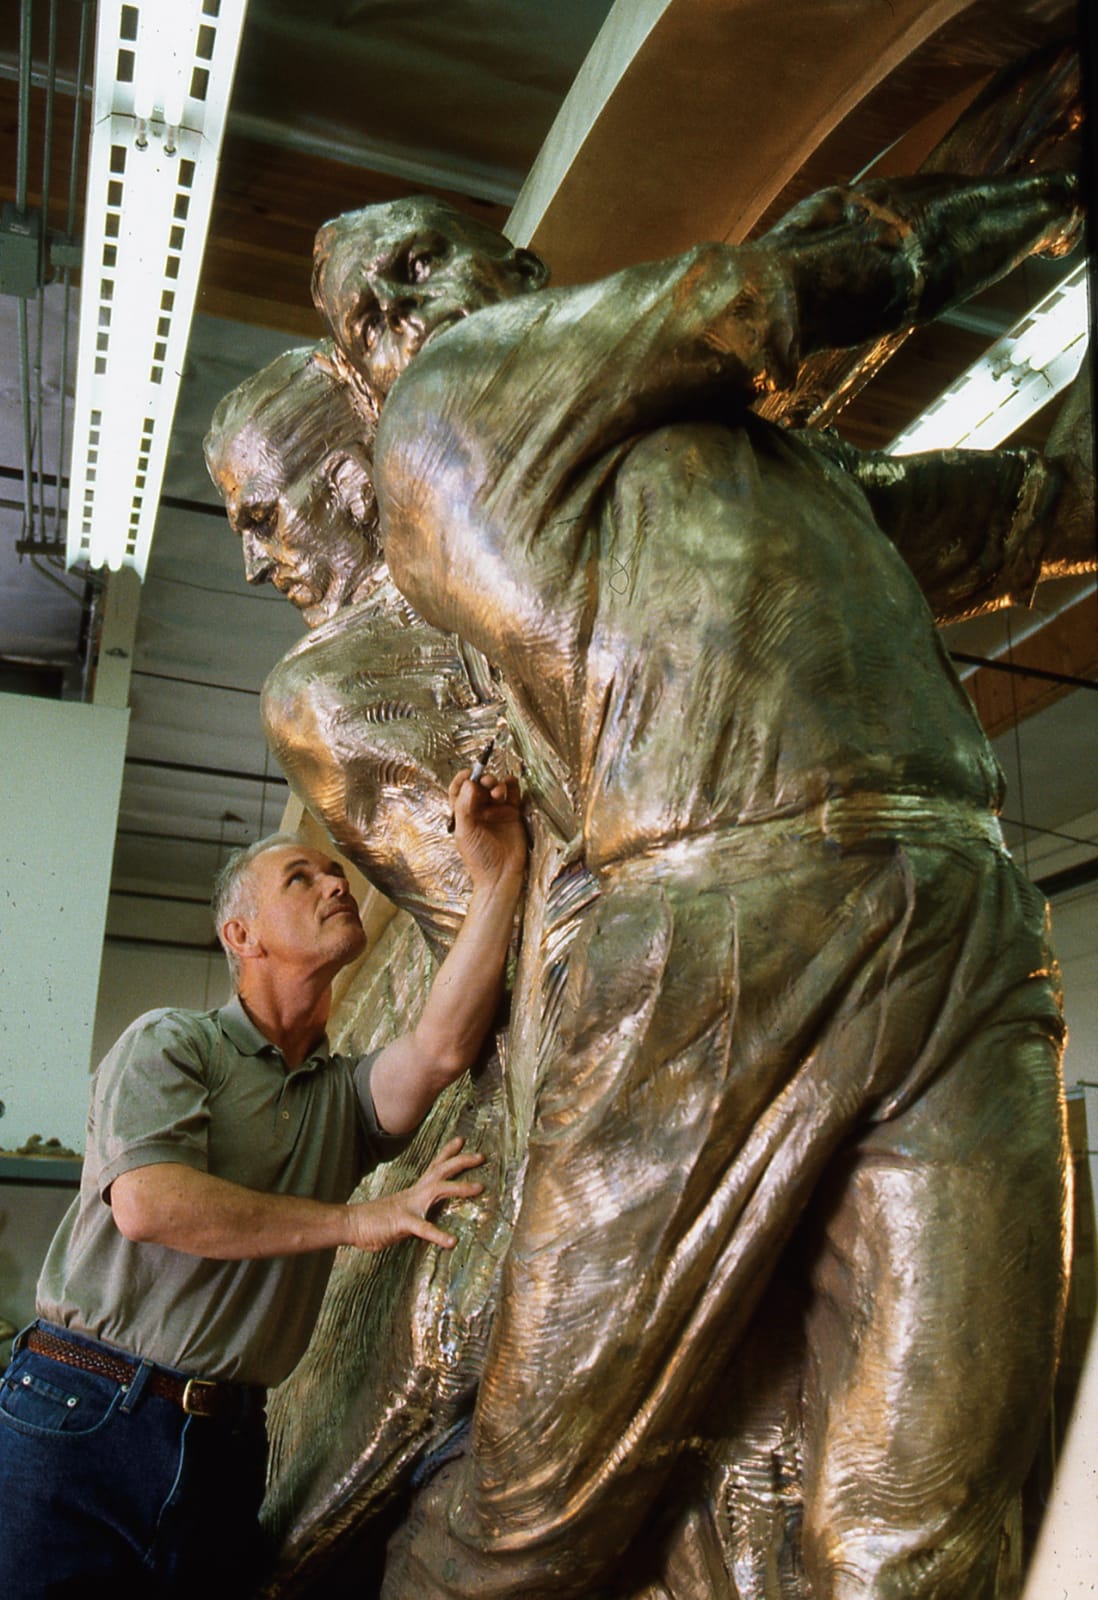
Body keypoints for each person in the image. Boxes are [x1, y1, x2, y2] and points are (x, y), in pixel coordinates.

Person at [304, 171, 1091, 1598]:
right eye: (371, 315)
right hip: (723, 918)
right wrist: (1035, 186)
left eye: (424, 260)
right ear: (367, 379)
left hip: (962, 913)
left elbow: (1029, 513)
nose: (406, 308)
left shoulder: (766, 468)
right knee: (535, 1505)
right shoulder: (456, 403)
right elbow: (768, 290)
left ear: (519, 260)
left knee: (913, 1516)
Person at [0, 757, 527, 1598]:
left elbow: (438, 1050)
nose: (333, 883)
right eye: (300, 877)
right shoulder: (172, 1044)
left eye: (331, 872)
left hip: (225, 1444)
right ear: (240, 937)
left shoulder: (339, 1097)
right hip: (83, 1416)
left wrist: (498, 877)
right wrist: (358, 1220)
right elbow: (150, 1202)